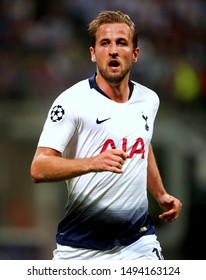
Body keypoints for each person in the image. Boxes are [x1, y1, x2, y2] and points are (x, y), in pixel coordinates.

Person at [30, 10, 182, 260]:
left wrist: (161, 194)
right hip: (81, 250)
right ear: (93, 53)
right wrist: (92, 163)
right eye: (104, 43)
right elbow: (39, 167)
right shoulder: (72, 102)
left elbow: (143, 144)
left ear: (134, 54)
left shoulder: (149, 100)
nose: (113, 50)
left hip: (138, 242)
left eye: (121, 43)